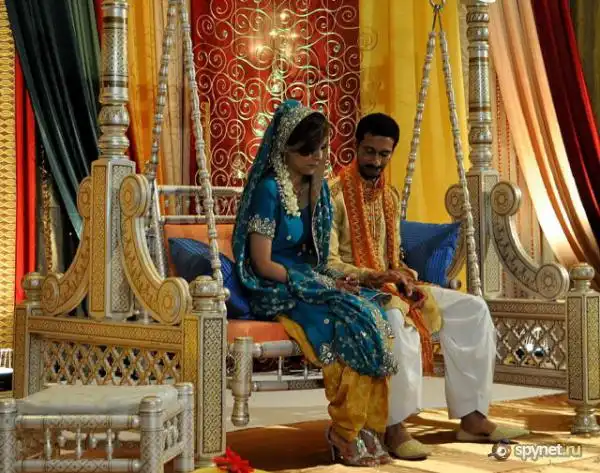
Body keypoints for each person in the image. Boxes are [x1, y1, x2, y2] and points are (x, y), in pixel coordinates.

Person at [328, 113, 529, 460]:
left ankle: (472, 417)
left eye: (384, 154)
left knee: (474, 309)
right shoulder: (332, 196)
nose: (376, 161)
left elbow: (393, 256)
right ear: (356, 146)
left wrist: (403, 275)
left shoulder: (389, 196)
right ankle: (394, 426)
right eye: (369, 151)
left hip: (394, 286)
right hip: (358, 289)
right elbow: (329, 263)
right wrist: (376, 276)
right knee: (398, 322)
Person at [232, 100, 398, 467]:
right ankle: (345, 432)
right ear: (285, 148)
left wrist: (336, 279)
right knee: (348, 322)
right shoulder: (269, 190)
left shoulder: (318, 188)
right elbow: (261, 263)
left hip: (310, 279)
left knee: (371, 316)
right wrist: (318, 287)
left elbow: (321, 259)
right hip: (275, 284)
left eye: (322, 148)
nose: (317, 157)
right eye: (307, 150)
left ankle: (368, 426)